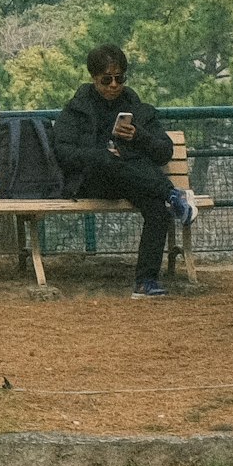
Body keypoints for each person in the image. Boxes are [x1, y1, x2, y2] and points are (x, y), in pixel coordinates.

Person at [52, 44, 199, 296]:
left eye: (119, 78)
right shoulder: (77, 109)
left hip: (133, 181)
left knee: (157, 211)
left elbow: (164, 151)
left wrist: (138, 136)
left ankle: (145, 282)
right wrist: (100, 154)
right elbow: (64, 152)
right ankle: (173, 194)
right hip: (93, 180)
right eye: (106, 79)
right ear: (93, 78)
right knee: (109, 161)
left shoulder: (136, 107)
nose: (113, 85)